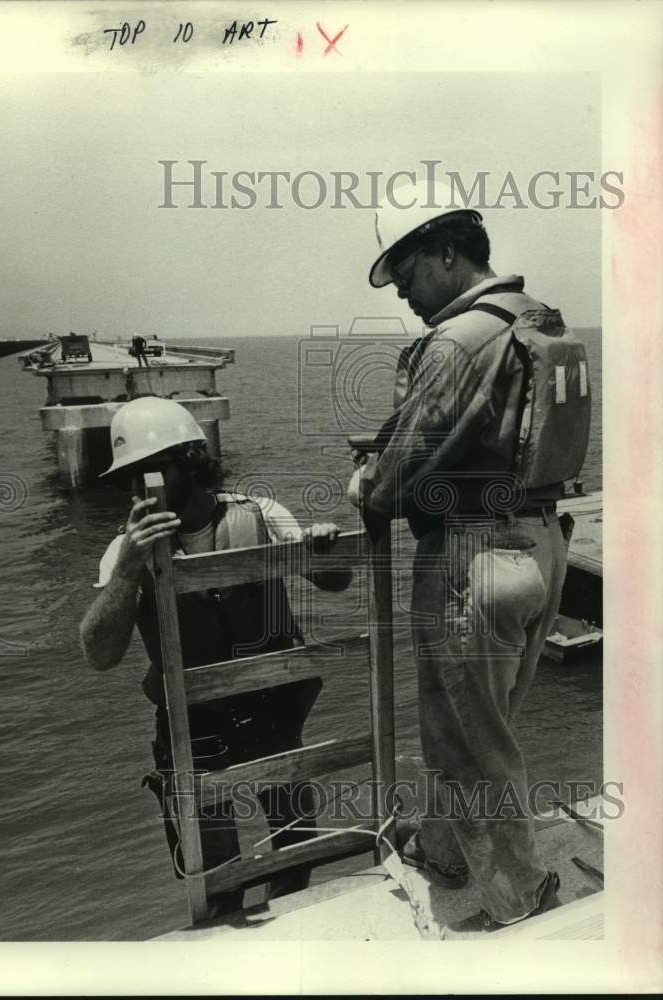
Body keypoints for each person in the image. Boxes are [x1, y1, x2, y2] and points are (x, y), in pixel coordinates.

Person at [352, 179, 590, 931]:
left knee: (469, 746)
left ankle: (520, 899)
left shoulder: (456, 341)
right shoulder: (533, 316)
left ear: (447, 253)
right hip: (542, 546)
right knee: (485, 727)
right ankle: (450, 851)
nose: (405, 297)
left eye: (409, 273)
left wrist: (365, 478)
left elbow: (392, 484)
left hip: (473, 560)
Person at [80, 396, 352, 919]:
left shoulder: (261, 515)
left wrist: (319, 546)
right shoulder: (125, 552)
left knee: (296, 853)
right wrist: (130, 569)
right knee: (215, 881)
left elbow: (336, 580)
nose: (139, 493)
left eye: (149, 474)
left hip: (274, 710)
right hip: (194, 727)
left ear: (188, 460)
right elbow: (100, 654)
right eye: (128, 482)